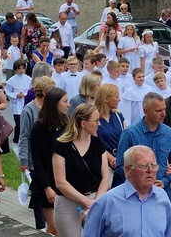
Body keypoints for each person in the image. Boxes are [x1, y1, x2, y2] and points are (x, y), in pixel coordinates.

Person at [85, 145, 171, 237]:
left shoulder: (162, 198)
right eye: (143, 166)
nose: (150, 170)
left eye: (153, 165)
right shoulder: (107, 201)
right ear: (128, 170)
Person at [52, 104, 110, 237]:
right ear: (83, 123)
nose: (99, 124)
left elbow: (105, 178)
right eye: (96, 120)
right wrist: (86, 201)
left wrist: (96, 201)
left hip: (95, 199)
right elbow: (60, 182)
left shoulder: (98, 144)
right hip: (68, 203)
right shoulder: (61, 146)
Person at [115, 92, 171, 205]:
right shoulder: (130, 134)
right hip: (136, 195)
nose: (163, 114)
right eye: (158, 111)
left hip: (162, 192)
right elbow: (120, 165)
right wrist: (139, 181)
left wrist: (165, 181)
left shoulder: (168, 133)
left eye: (164, 109)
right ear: (146, 111)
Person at [30, 87, 69, 235]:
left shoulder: (66, 123)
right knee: (53, 228)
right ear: (55, 104)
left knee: (65, 227)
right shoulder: (39, 127)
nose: (68, 104)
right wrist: (46, 187)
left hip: (64, 180)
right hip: (47, 182)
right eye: (65, 101)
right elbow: (37, 160)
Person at [18, 76, 56, 231]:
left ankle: (51, 223)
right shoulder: (29, 110)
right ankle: (40, 225)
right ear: (45, 92)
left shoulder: (52, 109)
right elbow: (24, 135)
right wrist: (23, 160)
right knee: (39, 192)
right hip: (35, 160)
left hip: (51, 159)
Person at [95, 84, 127, 187]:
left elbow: (126, 137)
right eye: (116, 96)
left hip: (121, 161)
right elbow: (95, 141)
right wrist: (111, 159)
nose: (119, 100)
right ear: (106, 99)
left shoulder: (118, 115)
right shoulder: (95, 118)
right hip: (104, 163)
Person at [6, 59, 31, 146]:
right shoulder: (11, 80)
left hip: (26, 102)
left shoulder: (29, 79)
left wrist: (25, 94)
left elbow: (31, 90)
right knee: (18, 122)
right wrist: (16, 95)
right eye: (19, 68)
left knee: (26, 121)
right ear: (15, 69)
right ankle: (16, 139)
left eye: (22, 68)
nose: (21, 70)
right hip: (16, 104)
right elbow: (8, 91)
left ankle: (25, 138)